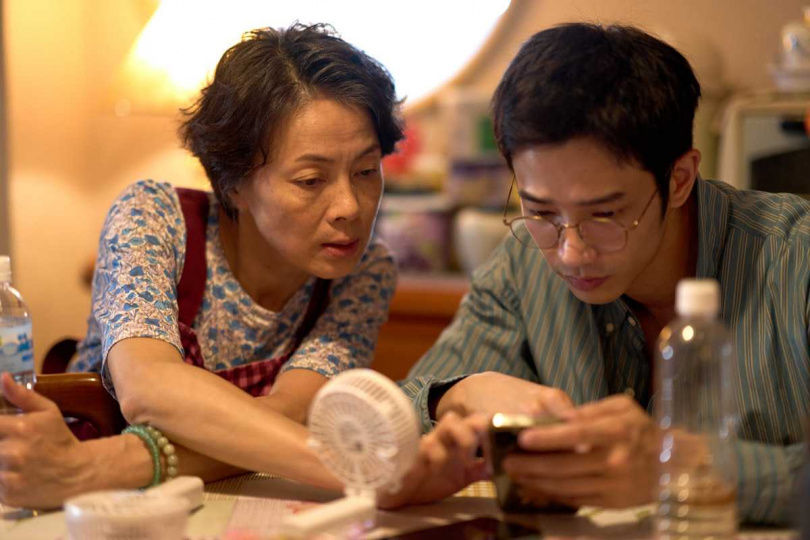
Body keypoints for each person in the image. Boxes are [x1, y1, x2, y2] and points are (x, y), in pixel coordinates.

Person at [0, 23, 487, 509]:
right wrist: (360, 474)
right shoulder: (154, 218)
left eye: (365, 171)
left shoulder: (364, 273)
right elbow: (148, 387)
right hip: (79, 503)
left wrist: (99, 465)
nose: (350, 207)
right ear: (234, 184)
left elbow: (292, 415)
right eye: (311, 180)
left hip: (215, 500)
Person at [402, 23, 809, 525]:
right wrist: (453, 397)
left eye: (605, 214)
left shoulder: (796, 262)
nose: (571, 253)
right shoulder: (521, 265)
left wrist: (681, 467)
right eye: (541, 211)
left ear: (679, 179)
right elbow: (400, 411)